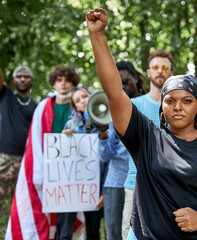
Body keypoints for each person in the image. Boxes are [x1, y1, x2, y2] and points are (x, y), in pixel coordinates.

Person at [86, 8, 197, 240]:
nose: (178, 106)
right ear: (162, 106)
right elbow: (114, 92)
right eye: (170, 100)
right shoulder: (146, 138)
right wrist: (98, 36)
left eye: (187, 101)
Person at [6, 66, 80, 240]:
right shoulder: (42, 107)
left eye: (67, 80)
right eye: (59, 80)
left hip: (72, 170)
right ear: (53, 83)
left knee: (67, 218)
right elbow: (34, 140)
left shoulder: (79, 105)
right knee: (47, 213)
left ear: (73, 83)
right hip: (48, 168)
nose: (63, 84)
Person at [122, 50, 174, 239]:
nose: (160, 71)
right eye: (155, 67)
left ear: (171, 73)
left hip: (169, 186)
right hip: (135, 184)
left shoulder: (178, 108)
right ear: (148, 72)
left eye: (165, 67)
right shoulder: (132, 105)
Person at [97, 61, 145, 240]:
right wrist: (102, 133)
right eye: (116, 83)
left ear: (136, 79)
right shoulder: (109, 111)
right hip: (116, 183)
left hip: (142, 182)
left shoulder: (147, 105)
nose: (121, 86)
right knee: (115, 234)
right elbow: (104, 156)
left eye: (125, 81)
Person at [61, 87, 105, 240]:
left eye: (84, 96)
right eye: (77, 101)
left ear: (92, 97)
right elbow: (61, 157)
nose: (82, 101)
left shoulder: (106, 121)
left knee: (93, 230)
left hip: (95, 185)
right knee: (66, 232)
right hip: (73, 185)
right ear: (76, 107)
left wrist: (104, 190)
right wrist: (63, 139)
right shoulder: (70, 125)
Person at [0, 66, 37, 210]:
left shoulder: (35, 105)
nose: (22, 79)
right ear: (13, 79)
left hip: (27, 160)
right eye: (19, 76)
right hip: (4, 158)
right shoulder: (6, 96)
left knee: (25, 205)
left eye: (26, 76)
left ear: (31, 80)